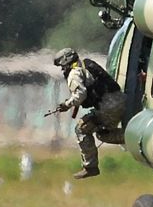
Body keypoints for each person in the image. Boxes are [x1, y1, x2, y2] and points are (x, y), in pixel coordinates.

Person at [52, 48, 124, 179]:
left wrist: (66, 105)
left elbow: (80, 94)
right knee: (103, 135)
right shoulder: (86, 65)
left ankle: (90, 167)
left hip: (107, 107)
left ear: (66, 61)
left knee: (81, 129)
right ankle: (131, 138)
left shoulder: (75, 73)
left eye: (62, 66)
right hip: (119, 101)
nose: (63, 70)